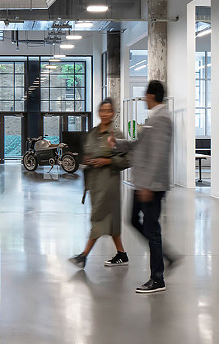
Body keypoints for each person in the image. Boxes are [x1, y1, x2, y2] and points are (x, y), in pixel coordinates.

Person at [111, 80, 179, 294]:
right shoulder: (154, 118)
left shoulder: (162, 118)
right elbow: (140, 145)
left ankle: (157, 278)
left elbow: (158, 155)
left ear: (151, 95)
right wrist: (117, 145)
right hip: (141, 182)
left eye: (144, 96)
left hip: (151, 185)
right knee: (132, 220)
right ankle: (166, 255)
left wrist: (148, 185)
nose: (143, 99)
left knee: (152, 228)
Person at [69, 98, 130, 269]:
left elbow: (127, 160)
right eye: (102, 110)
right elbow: (87, 153)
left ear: (113, 113)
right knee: (110, 221)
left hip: (108, 184)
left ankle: (83, 255)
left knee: (98, 218)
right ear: (99, 112)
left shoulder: (116, 135)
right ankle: (121, 253)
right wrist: (87, 160)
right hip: (94, 184)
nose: (105, 114)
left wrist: (107, 161)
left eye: (109, 111)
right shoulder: (93, 134)